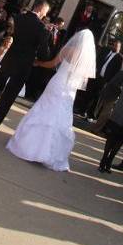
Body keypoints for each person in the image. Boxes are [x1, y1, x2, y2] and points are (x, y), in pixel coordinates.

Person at [7, 29, 96, 172]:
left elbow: (52, 64)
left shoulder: (68, 49)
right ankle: (50, 154)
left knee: (44, 108)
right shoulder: (87, 58)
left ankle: (30, 147)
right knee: (61, 116)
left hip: (58, 83)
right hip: (70, 90)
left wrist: (38, 63)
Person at [0, 0, 51, 133]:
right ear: (41, 10)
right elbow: (44, 54)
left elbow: (10, 33)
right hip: (24, 64)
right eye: (45, 13)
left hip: (10, 58)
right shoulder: (41, 28)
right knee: (9, 96)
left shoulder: (18, 18)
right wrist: (39, 57)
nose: (45, 15)